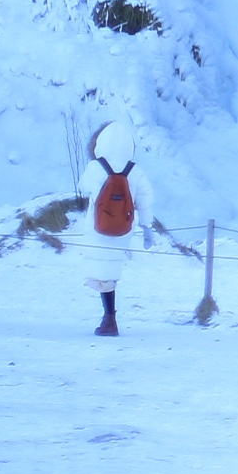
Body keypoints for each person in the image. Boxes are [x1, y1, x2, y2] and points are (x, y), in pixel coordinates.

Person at [81, 117, 154, 336]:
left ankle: (109, 318)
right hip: (123, 227)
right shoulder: (135, 171)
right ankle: (109, 317)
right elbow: (146, 199)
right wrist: (147, 228)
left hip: (98, 226)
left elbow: (83, 186)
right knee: (111, 267)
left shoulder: (96, 167)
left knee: (100, 268)